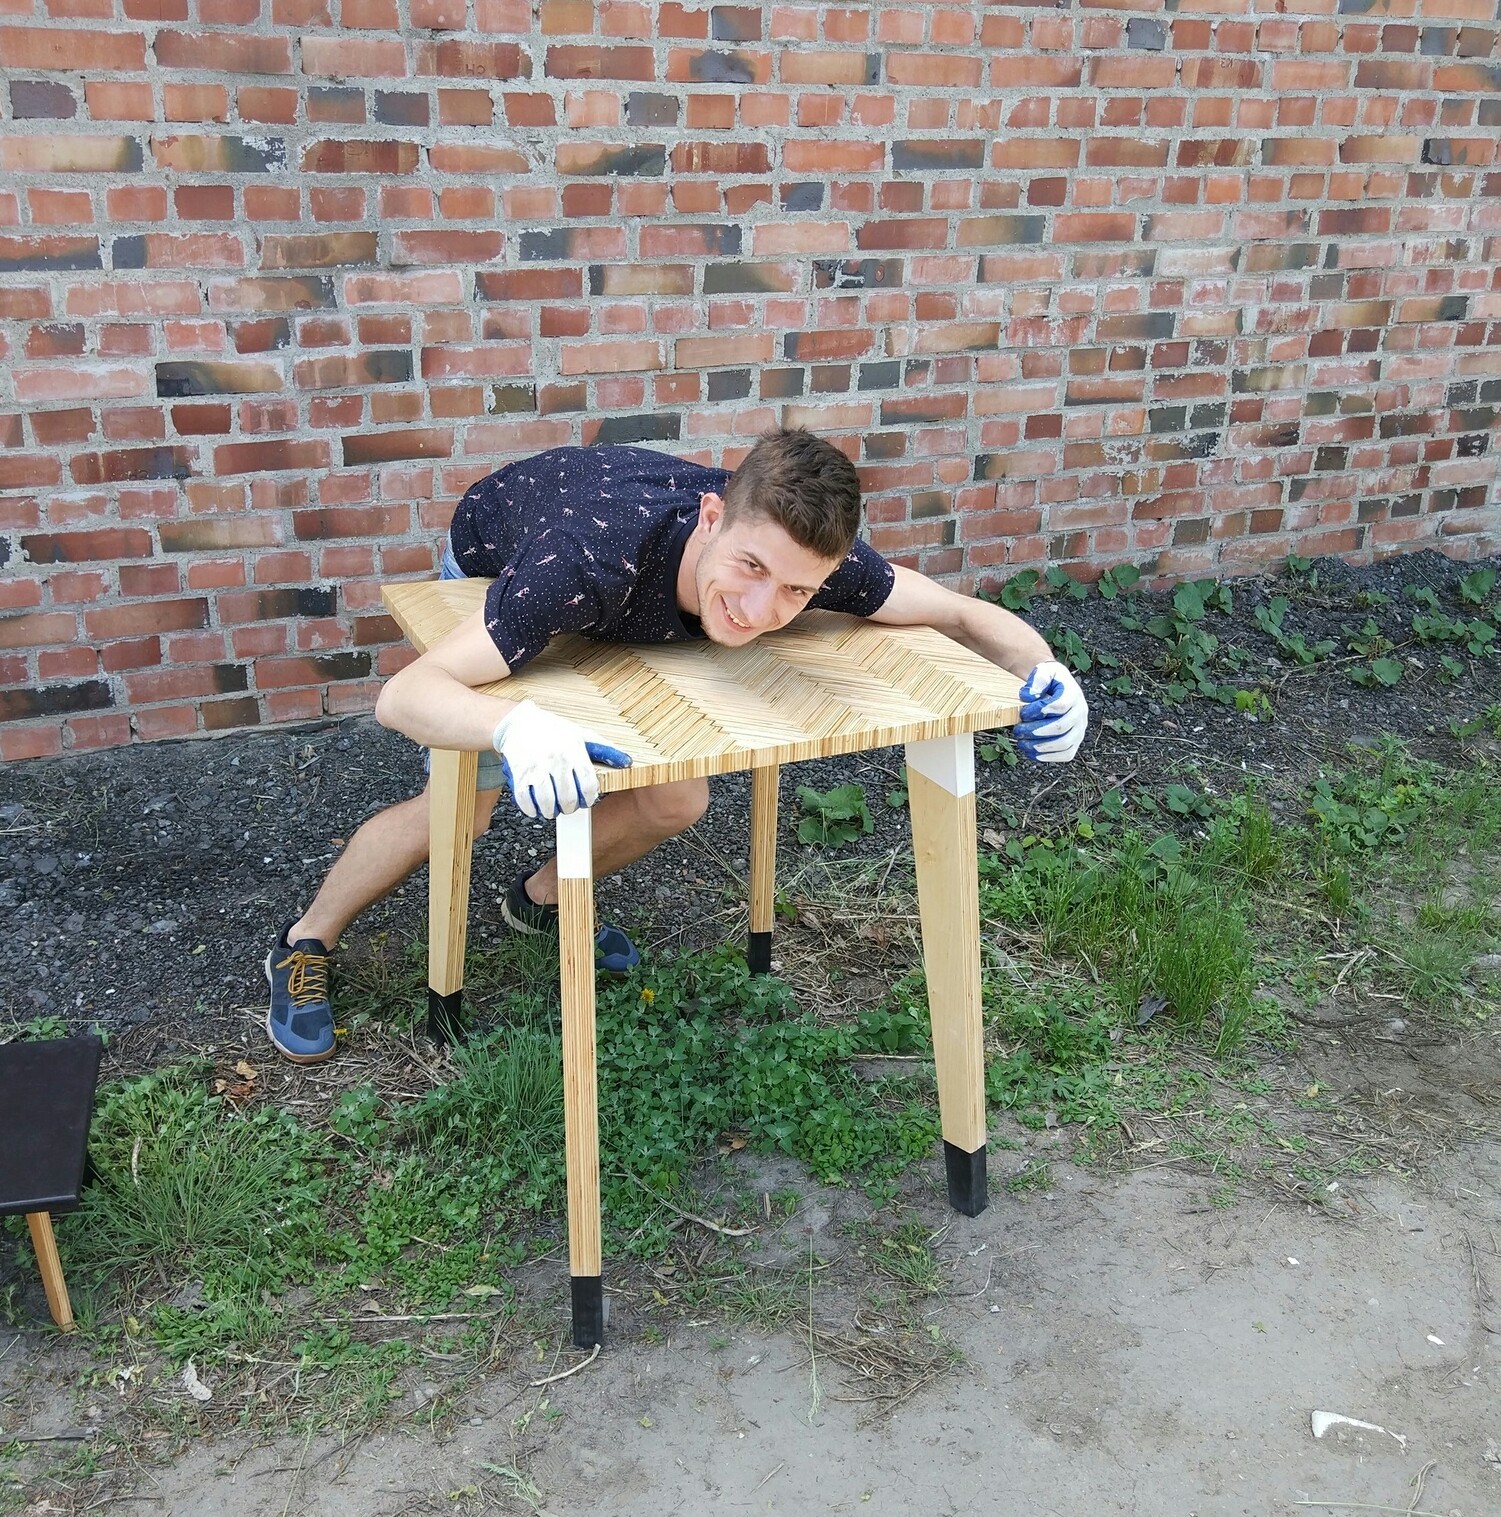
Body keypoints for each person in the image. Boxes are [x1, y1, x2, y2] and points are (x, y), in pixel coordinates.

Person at [265, 429, 1088, 1063]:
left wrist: (1046, 670)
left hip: (635, 590)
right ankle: (305, 940)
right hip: (504, 559)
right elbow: (402, 696)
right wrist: (513, 727)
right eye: (751, 568)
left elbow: (960, 613)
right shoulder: (579, 562)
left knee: (676, 796)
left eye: (796, 590)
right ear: (711, 517)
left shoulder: (800, 559)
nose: (764, 608)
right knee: (466, 809)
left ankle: (538, 902)